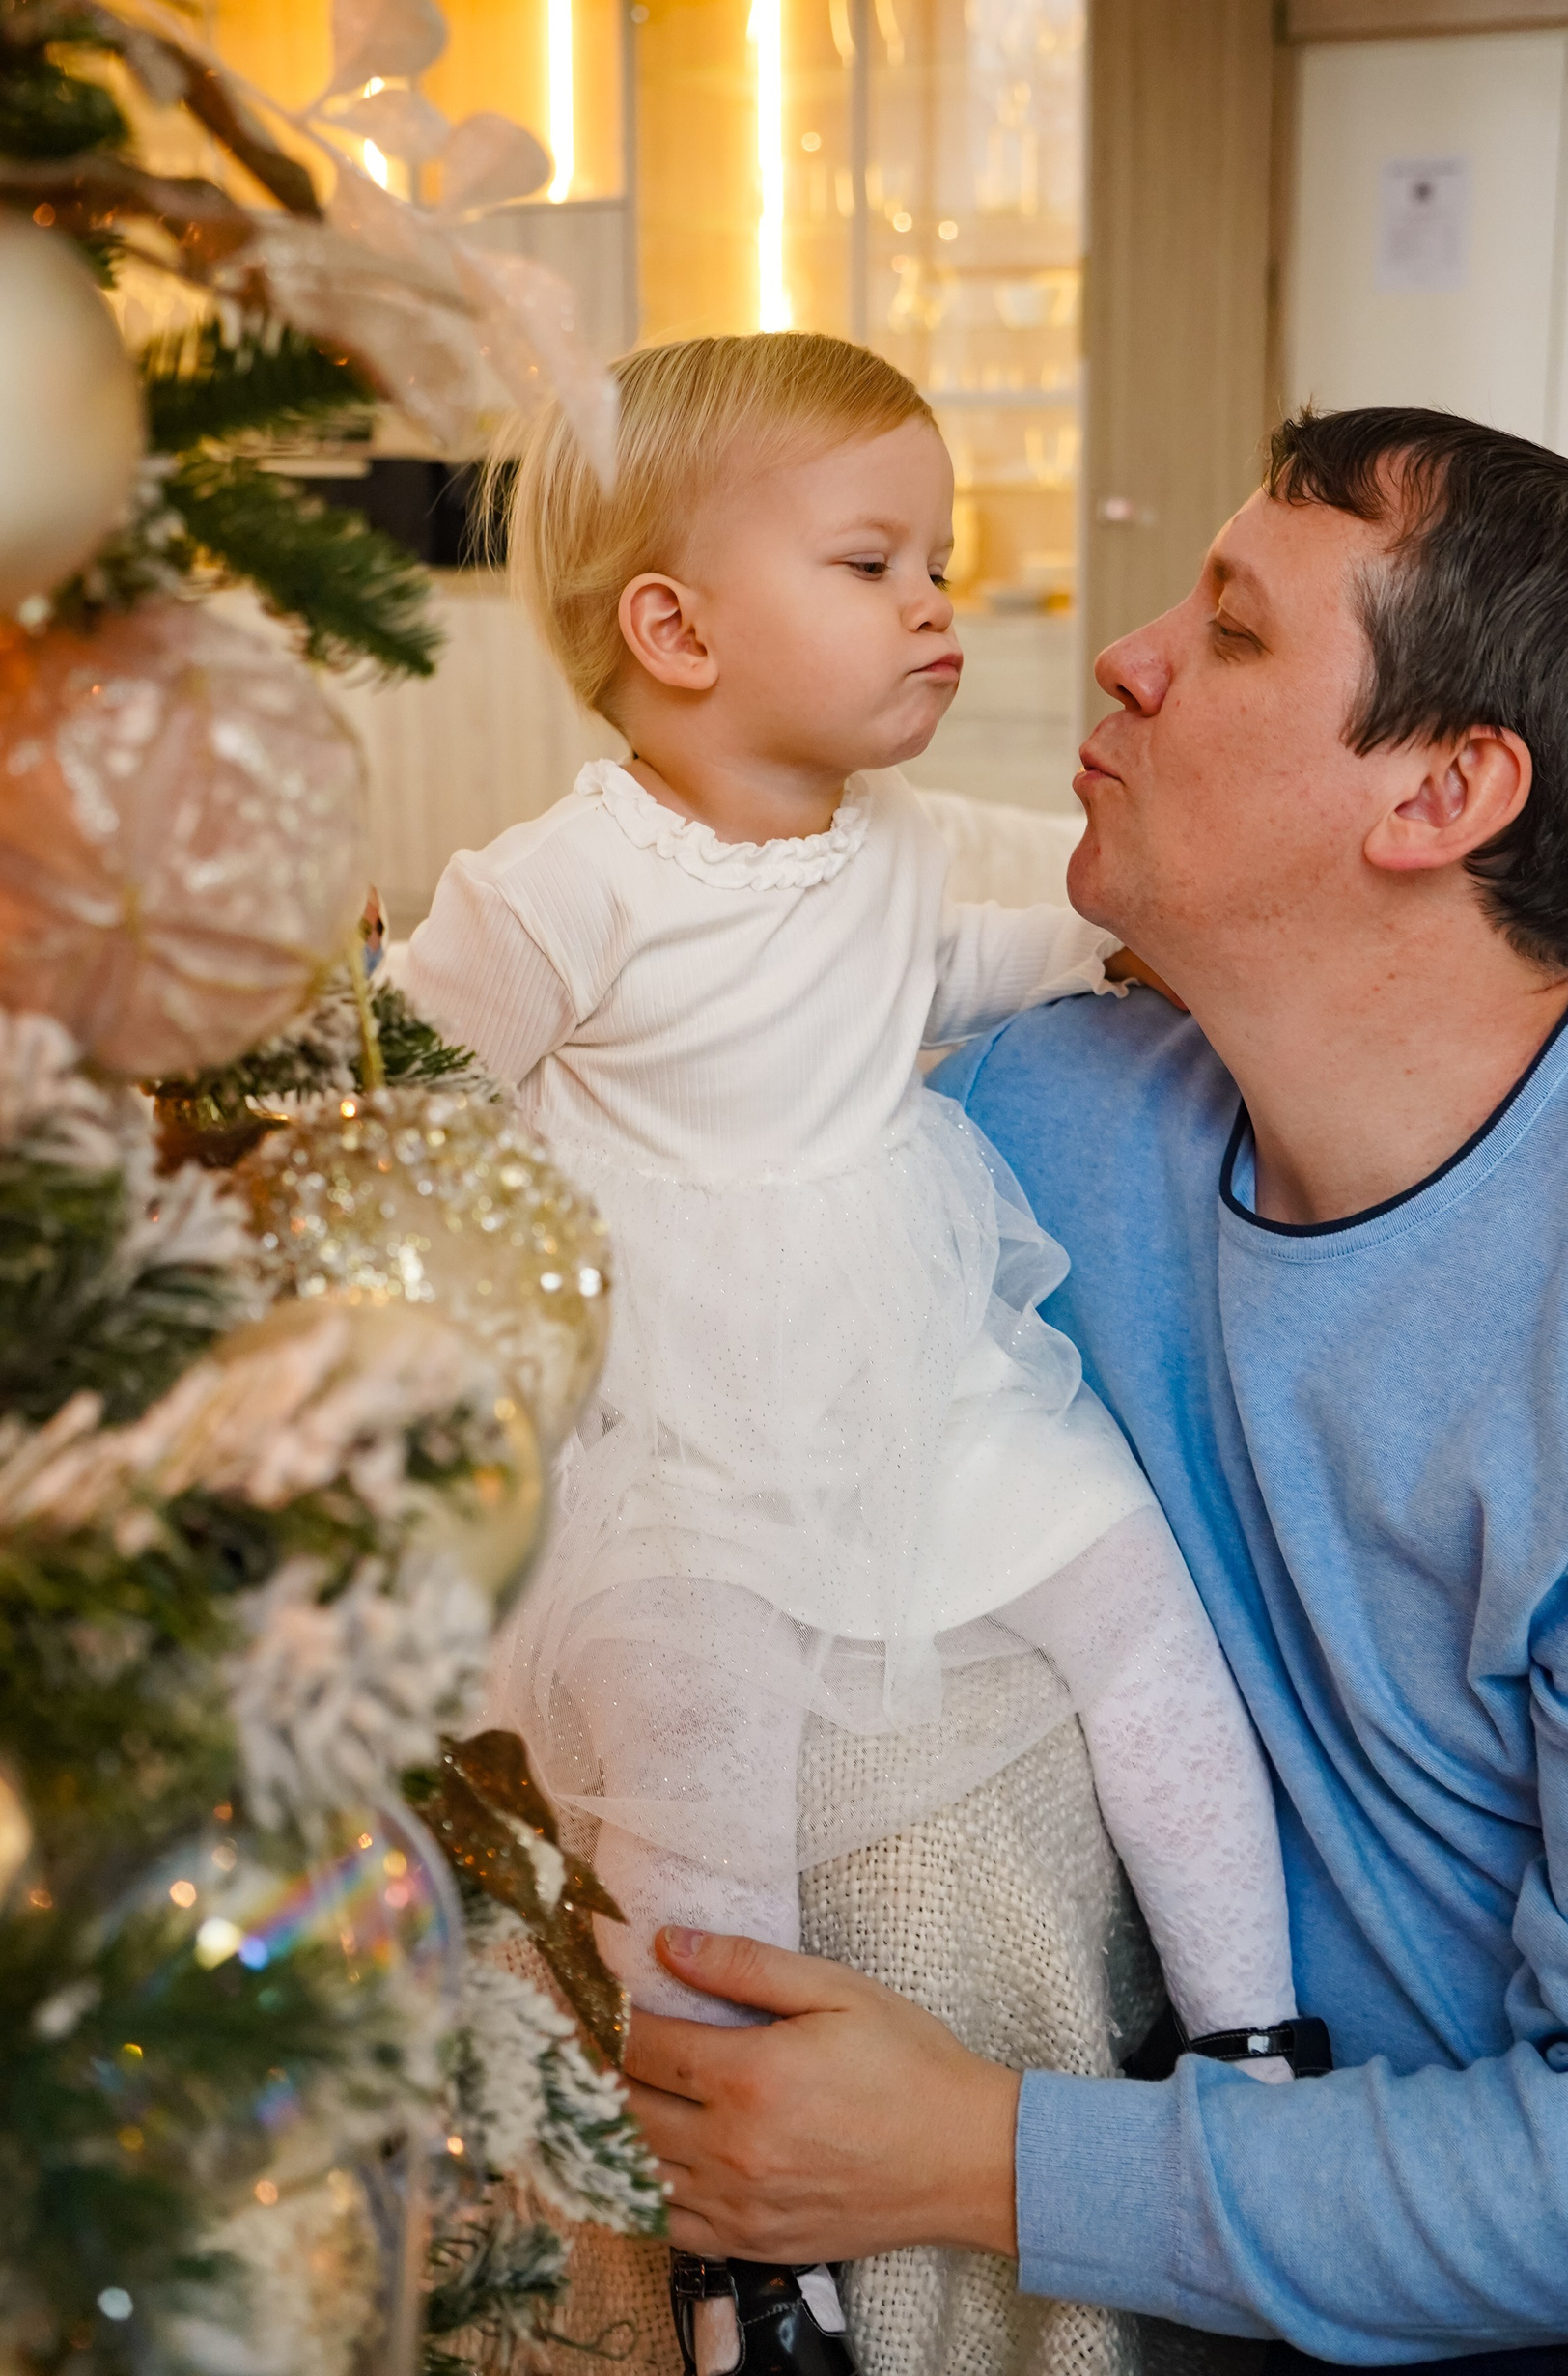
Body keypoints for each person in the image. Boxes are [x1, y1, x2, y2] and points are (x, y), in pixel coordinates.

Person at [617, 406, 1568, 2372]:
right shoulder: (1055, 1112)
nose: (1128, 658)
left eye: (1235, 630)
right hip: (1193, 2153)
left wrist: (979, 2158)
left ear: (1442, 791)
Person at [405, 335, 1298, 2376]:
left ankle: (1252, 2044)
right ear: (677, 630)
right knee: (698, 1760)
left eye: (939, 564)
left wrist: (1112, 951)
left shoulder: (888, 841)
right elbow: (414, 1105)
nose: (937, 607)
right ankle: (736, 2252)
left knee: (1138, 1614)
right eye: (875, 564)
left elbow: (956, 961)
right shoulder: (558, 887)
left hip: (920, 1357)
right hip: (682, 1405)